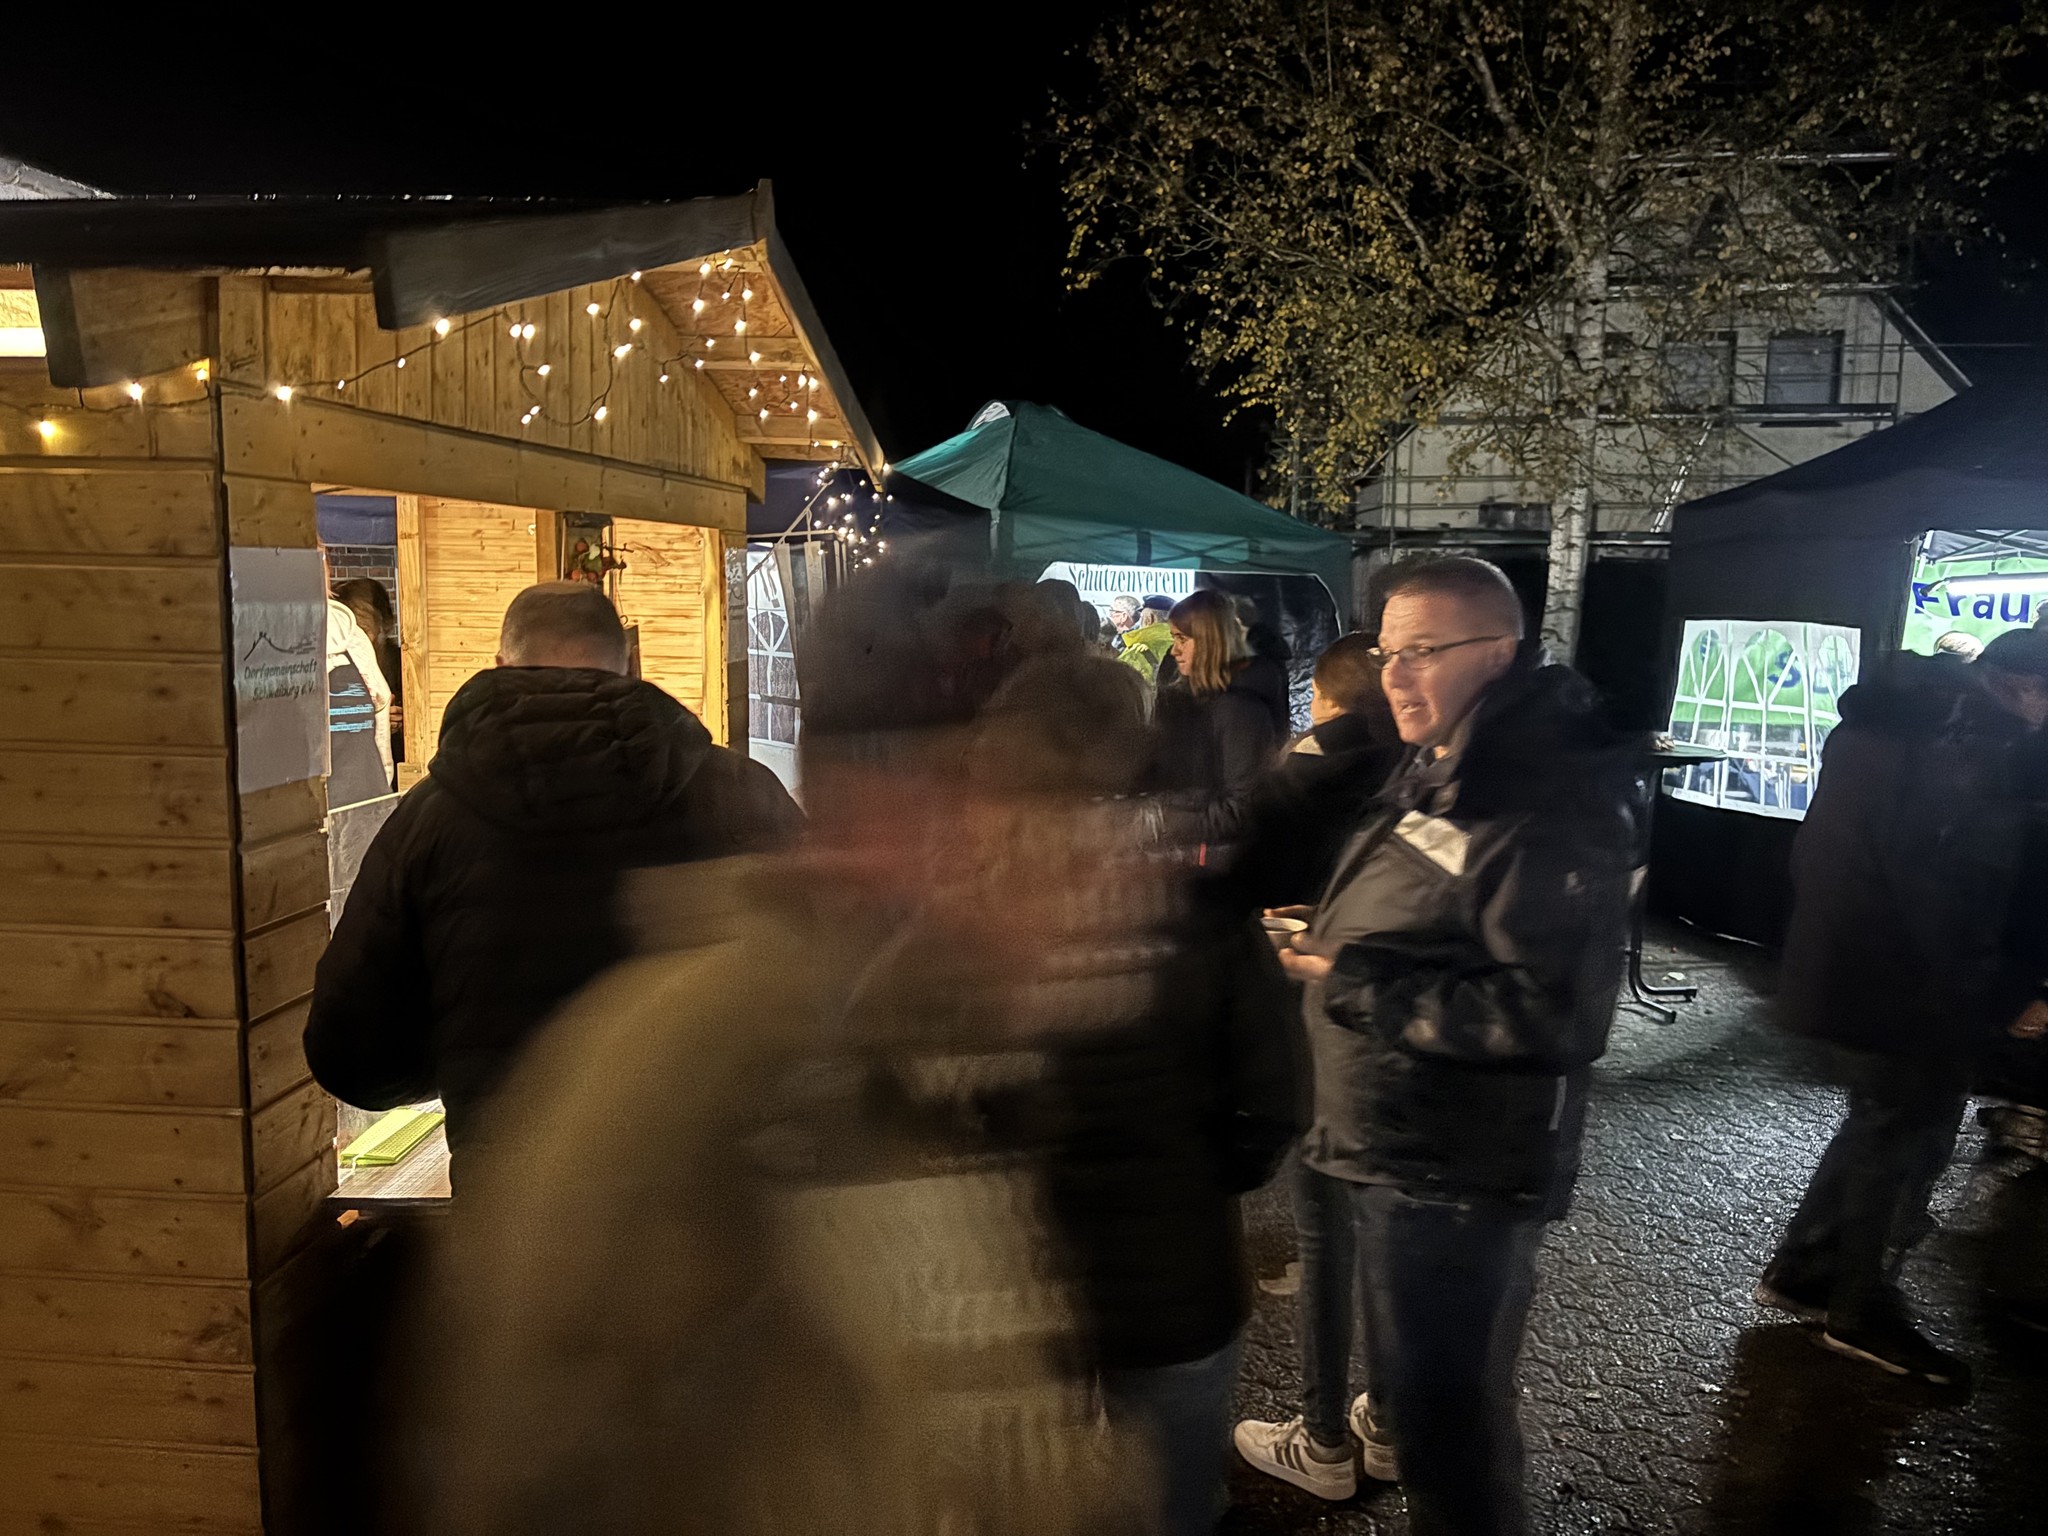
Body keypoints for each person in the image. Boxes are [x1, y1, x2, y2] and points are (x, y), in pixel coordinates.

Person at [1233, 557, 1635, 1535]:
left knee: (1447, 1432)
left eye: (1422, 651)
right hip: (1401, 1146)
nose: (1395, 676)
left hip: (1450, 1172)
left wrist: (1356, 978)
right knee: (1428, 1416)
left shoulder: (1536, 798)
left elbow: (1549, 1016)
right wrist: (1333, 934)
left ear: (1497, 652)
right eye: (1386, 653)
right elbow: (1439, 906)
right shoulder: (1456, 755)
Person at [304, 580, 802, 1168]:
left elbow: (351, 1052)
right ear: (629, 665)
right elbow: (830, 980)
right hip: (720, 1182)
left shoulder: (429, 820)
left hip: (511, 1189)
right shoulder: (741, 793)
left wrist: (465, 1057)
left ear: (500, 666)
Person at [1758, 629, 2048, 1385]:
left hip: (1853, 967)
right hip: (1915, 985)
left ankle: (1807, 1270)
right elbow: (1955, 891)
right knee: (1906, 1143)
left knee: (1879, 1126)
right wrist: (2007, 991)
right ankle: (1861, 1310)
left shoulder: (1898, 720)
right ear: (2021, 687)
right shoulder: (1969, 744)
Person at [1151, 588, 1283, 852]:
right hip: (1177, 853)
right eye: (1173, 638)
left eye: (1182, 639)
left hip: (1214, 861)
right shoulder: (1179, 701)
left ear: (1209, 641)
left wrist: (1162, 824)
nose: (1174, 651)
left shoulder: (1241, 712)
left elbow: (1242, 810)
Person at [325, 593, 393, 802]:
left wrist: (383, 790)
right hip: (308, 808)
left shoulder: (352, 636)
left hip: (366, 802)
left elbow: (380, 730)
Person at [1118, 595, 1176, 684]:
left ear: (1149, 619)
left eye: (1141, 618)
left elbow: (1116, 685)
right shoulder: (1185, 648)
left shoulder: (1136, 653)